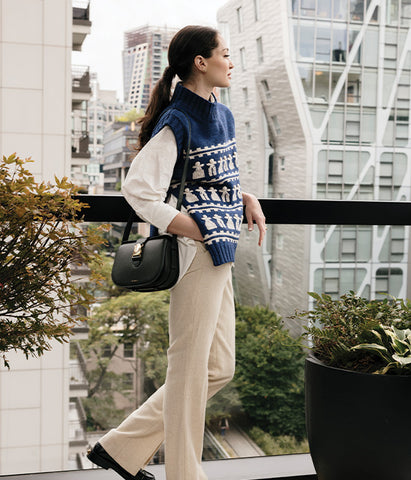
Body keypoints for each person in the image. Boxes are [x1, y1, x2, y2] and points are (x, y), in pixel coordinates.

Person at [87, 25, 266, 480]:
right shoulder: (178, 120)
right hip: (197, 253)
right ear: (201, 63)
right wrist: (195, 228)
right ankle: (185, 475)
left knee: (218, 367)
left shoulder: (219, 113)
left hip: (220, 248)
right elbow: (138, 189)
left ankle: (119, 448)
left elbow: (215, 174)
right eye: (225, 54)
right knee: (189, 368)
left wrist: (245, 198)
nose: (231, 61)